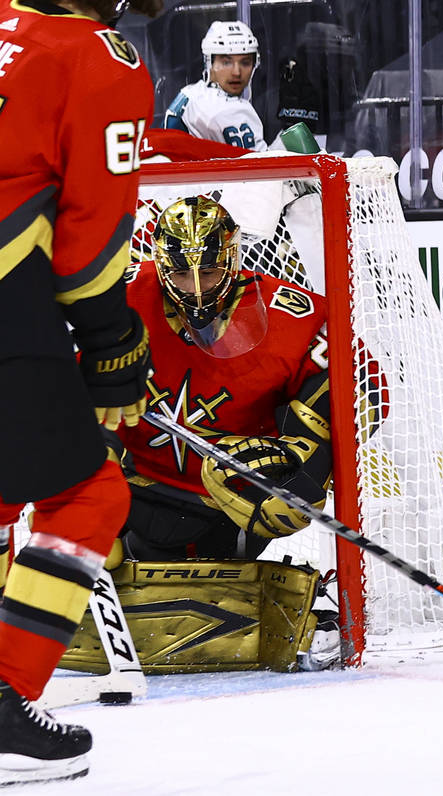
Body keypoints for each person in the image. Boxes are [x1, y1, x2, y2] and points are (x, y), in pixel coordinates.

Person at [0, 0, 160, 786]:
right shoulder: (101, 56)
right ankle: (3, 710)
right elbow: (92, 240)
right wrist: (110, 343)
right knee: (88, 495)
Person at [113, 195, 333, 563]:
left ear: (232, 258)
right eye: (181, 274)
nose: (196, 289)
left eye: (209, 271)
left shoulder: (290, 313)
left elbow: (369, 386)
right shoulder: (119, 296)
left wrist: (307, 466)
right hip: (129, 491)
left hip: (231, 502)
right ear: (161, 265)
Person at [163, 20, 268, 151]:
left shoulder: (190, 92)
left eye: (245, 63)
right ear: (209, 63)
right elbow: (260, 167)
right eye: (226, 63)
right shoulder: (229, 111)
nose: (237, 72)